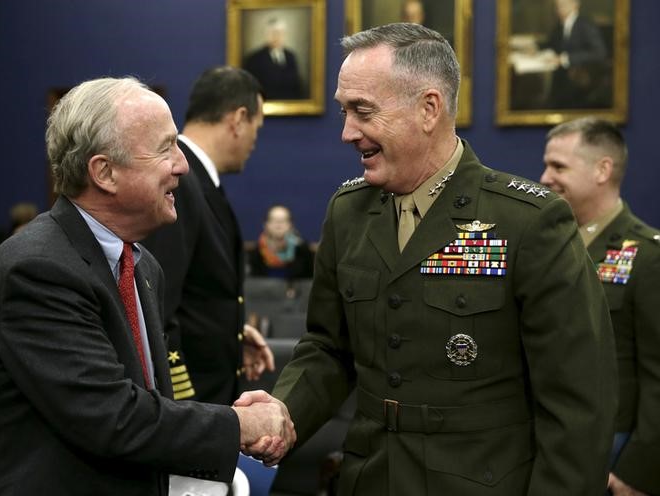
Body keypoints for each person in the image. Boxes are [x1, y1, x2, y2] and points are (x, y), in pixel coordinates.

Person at [237, 22, 617, 494]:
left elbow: (578, 404)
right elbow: (328, 348)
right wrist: (283, 411)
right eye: (343, 111)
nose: (346, 133)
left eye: (362, 111)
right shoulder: (348, 212)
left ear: (428, 108)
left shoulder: (528, 221)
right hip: (369, 477)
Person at [0, 76, 294, 495]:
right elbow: (111, 416)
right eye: (164, 148)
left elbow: (151, 404)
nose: (183, 165)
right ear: (105, 172)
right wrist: (237, 425)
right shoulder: (37, 267)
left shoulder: (141, 265)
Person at [541, 117, 660, 496]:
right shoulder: (546, 247)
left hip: (614, 451)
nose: (545, 178)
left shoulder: (647, 256)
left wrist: (639, 469)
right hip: (547, 445)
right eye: (547, 165)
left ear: (602, 170)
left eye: (558, 166)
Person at [143, 66, 274, 406]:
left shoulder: (200, 182)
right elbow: (159, 302)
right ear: (238, 119)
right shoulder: (181, 184)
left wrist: (232, 334)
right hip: (192, 403)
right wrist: (182, 401)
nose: (253, 143)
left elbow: (198, 294)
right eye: (256, 130)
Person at [540, 0, 608, 108]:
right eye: (557, 6)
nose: (559, 9)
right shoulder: (560, 25)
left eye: (563, 5)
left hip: (581, 81)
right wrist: (535, 47)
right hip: (561, 80)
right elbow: (552, 44)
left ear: (575, 5)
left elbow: (599, 53)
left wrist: (565, 59)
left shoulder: (585, 25)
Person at [243, 17, 303, 100]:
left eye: (280, 33)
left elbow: (297, 86)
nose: (276, 37)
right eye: (273, 33)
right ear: (266, 35)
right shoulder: (254, 58)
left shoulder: (290, 56)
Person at [247, 204, 314, 280]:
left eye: (283, 220)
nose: (278, 224)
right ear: (265, 224)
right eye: (273, 220)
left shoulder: (302, 250)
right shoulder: (257, 252)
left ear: (291, 225)